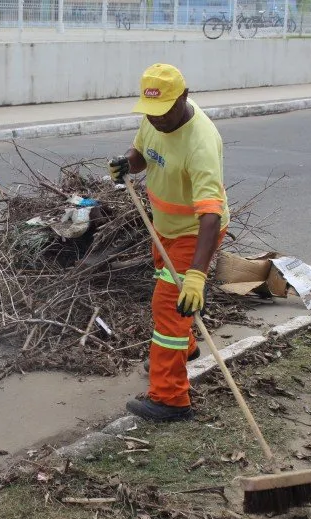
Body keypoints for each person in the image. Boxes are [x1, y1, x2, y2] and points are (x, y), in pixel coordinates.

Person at [108, 64, 229, 423]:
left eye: (164, 113)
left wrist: (197, 274)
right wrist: (125, 164)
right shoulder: (154, 115)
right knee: (173, 306)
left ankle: (171, 399)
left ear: (185, 97)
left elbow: (211, 213)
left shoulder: (201, 142)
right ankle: (185, 348)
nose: (156, 120)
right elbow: (142, 152)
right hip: (164, 229)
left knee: (169, 307)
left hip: (195, 233)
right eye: (151, 112)